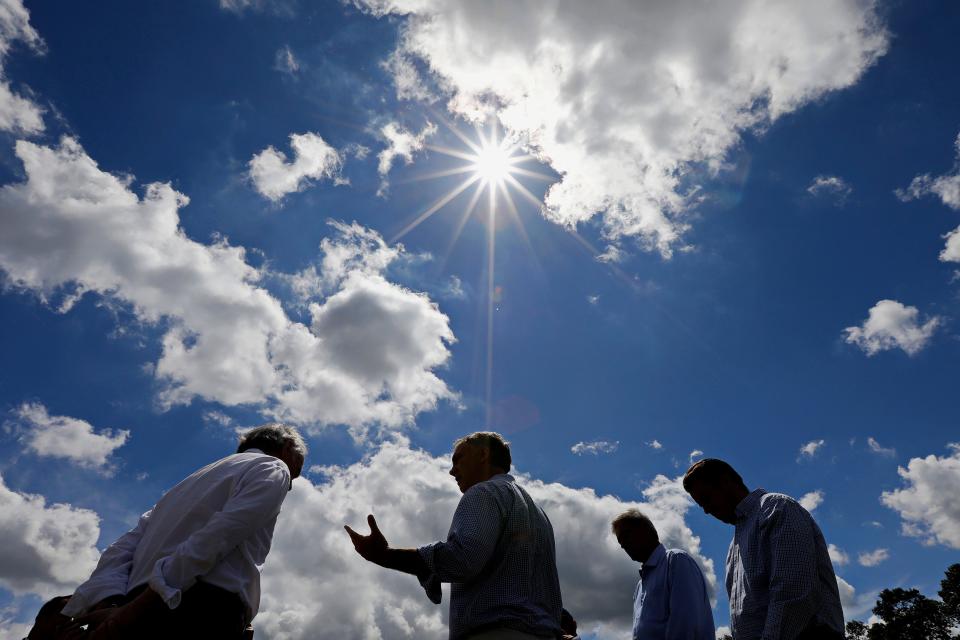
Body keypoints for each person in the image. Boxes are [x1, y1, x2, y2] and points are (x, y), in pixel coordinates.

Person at [48, 422, 306, 640]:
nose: (290, 485)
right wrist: (140, 607)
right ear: (286, 449)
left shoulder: (184, 487)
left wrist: (111, 603)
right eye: (296, 472)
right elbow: (222, 532)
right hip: (200, 611)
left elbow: (121, 549)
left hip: (138, 607)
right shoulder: (272, 467)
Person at [345, 431, 563, 640]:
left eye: (458, 459)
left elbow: (463, 560)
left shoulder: (482, 493)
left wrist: (385, 555)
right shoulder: (539, 514)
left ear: (483, 455)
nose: (452, 471)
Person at [682, 459, 844, 640]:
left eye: (706, 499)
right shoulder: (733, 547)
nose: (706, 510)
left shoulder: (776, 508)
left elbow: (793, 594)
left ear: (726, 482)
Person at [612, 509, 714, 640]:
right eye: (620, 541)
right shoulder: (639, 587)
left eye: (626, 536)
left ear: (645, 530)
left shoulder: (676, 561)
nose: (623, 545)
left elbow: (685, 624)